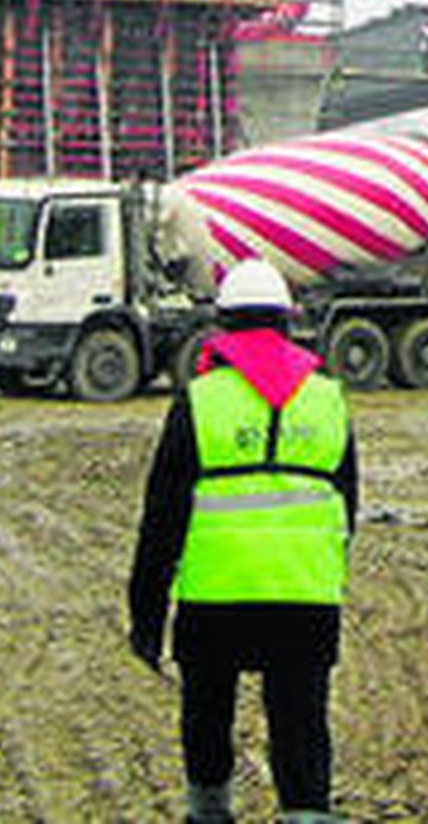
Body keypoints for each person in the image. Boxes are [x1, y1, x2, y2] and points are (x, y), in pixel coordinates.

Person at [128, 257, 358, 824]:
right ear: (288, 321)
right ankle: (306, 814)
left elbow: (161, 521)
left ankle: (209, 812)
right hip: (304, 595)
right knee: (301, 722)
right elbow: (347, 509)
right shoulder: (328, 400)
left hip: (215, 598)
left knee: (207, 714)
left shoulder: (198, 402)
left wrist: (146, 617)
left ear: (223, 325)